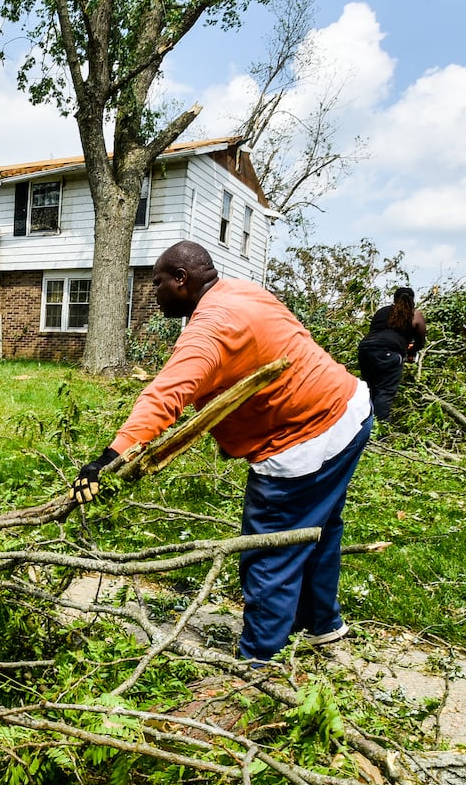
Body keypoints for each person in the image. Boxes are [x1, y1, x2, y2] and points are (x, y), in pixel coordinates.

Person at [70, 240, 372, 663]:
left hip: (306, 438)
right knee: (318, 529)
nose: (152, 293)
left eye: (157, 283)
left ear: (181, 279)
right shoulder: (242, 291)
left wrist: (108, 459)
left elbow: (165, 396)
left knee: (269, 549)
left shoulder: (211, 326)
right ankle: (322, 625)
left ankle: (257, 663)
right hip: (350, 410)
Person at [356, 287, 426, 422]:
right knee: (385, 392)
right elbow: (420, 342)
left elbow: (377, 333)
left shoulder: (382, 311)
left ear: (394, 299)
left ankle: (362, 426)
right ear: (412, 300)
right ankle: (379, 431)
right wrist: (411, 351)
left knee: (370, 390)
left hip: (366, 350)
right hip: (389, 354)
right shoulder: (415, 315)